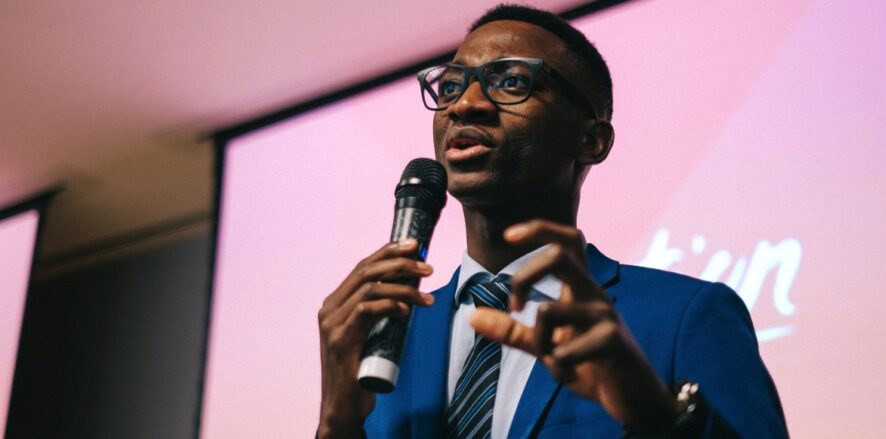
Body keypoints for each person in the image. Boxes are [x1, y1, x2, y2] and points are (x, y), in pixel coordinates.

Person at [317, 4, 787, 438]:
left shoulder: (686, 316)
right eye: (451, 86)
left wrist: (653, 413)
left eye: (511, 82)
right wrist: (336, 422)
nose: (464, 104)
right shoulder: (387, 336)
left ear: (591, 141)